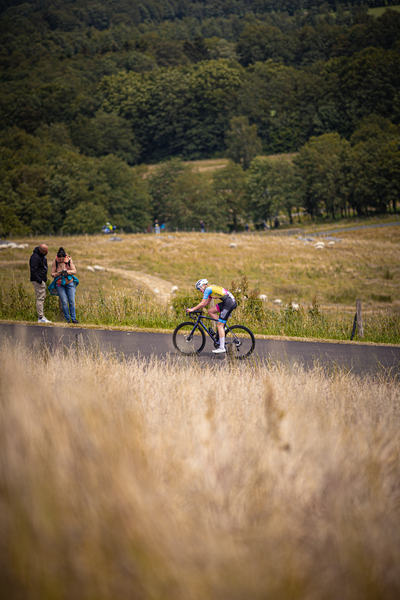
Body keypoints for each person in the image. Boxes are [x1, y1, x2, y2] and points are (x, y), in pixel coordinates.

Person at [186, 279, 237, 354]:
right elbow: (206, 303)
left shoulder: (208, 289)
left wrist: (192, 310)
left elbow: (202, 303)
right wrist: (194, 309)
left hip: (229, 303)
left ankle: (222, 348)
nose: (199, 290)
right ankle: (223, 327)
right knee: (210, 311)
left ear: (203, 285)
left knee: (219, 325)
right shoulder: (210, 289)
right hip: (228, 301)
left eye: (199, 288)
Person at [50, 247, 79, 324]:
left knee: (72, 301)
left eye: (63, 259)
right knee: (64, 302)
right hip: (59, 283)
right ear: (58, 258)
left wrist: (67, 272)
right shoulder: (55, 262)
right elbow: (52, 274)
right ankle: (67, 319)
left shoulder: (69, 260)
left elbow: (74, 271)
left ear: (65, 257)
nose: (62, 260)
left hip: (69, 283)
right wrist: (57, 273)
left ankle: (74, 318)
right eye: (60, 259)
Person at [30, 243, 52, 323]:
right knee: (40, 298)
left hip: (42, 279)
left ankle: (41, 316)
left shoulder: (42, 256)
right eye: (46, 251)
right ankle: (40, 317)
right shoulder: (35, 257)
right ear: (41, 251)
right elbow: (33, 270)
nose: (47, 253)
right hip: (38, 280)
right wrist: (39, 280)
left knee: (42, 297)